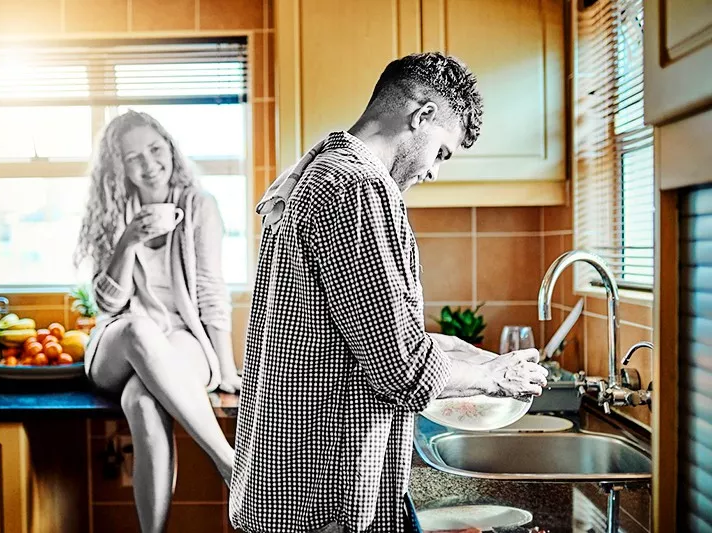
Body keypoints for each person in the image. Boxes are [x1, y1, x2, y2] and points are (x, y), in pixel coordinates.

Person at [229, 52, 549, 533]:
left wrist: (469, 355)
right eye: (441, 152)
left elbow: (357, 338)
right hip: (324, 499)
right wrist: (496, 379)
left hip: (285, 487)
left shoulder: (318, 173)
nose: (434, 173)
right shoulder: (360, 189)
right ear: (421, 116)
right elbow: (401, 367)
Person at [74, 110, 241, 533]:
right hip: (119, 343)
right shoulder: (112, 213)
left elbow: (210, 290)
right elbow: (108, 305)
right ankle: (229, 462)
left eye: (155, 148)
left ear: (169, 146)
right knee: (137, 328)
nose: (149, 163)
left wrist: (225, 368)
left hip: (183, 339)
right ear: (120, 168)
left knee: (143, 403)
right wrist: (128, 240)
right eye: (134, 157)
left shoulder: (199, 206)